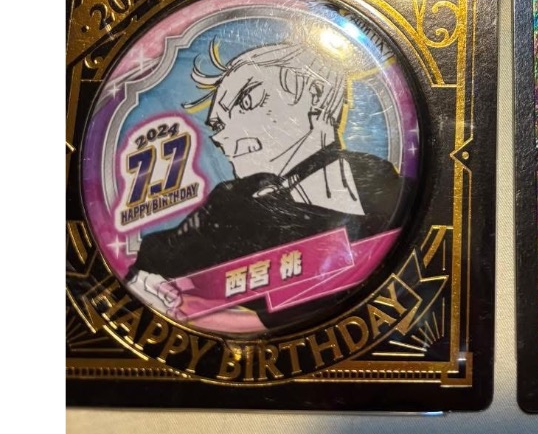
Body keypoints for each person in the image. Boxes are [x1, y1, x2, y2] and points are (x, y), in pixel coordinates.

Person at [126, 38, 406, 315]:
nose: (220, 137)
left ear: (316, 92)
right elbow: (155, 269)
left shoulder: (385, 187)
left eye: (247, 101)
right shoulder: (225, 207)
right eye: (219, 124)